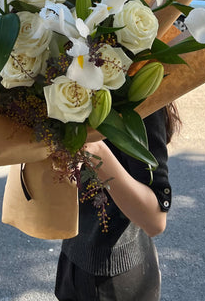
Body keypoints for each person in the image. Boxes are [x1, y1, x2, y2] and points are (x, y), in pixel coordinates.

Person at [55, 104, 180, 301]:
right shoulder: (67, 85)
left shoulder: (138, 98)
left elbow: (155, 220)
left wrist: (93, 150)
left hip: (115, 277)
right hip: (73, 256)